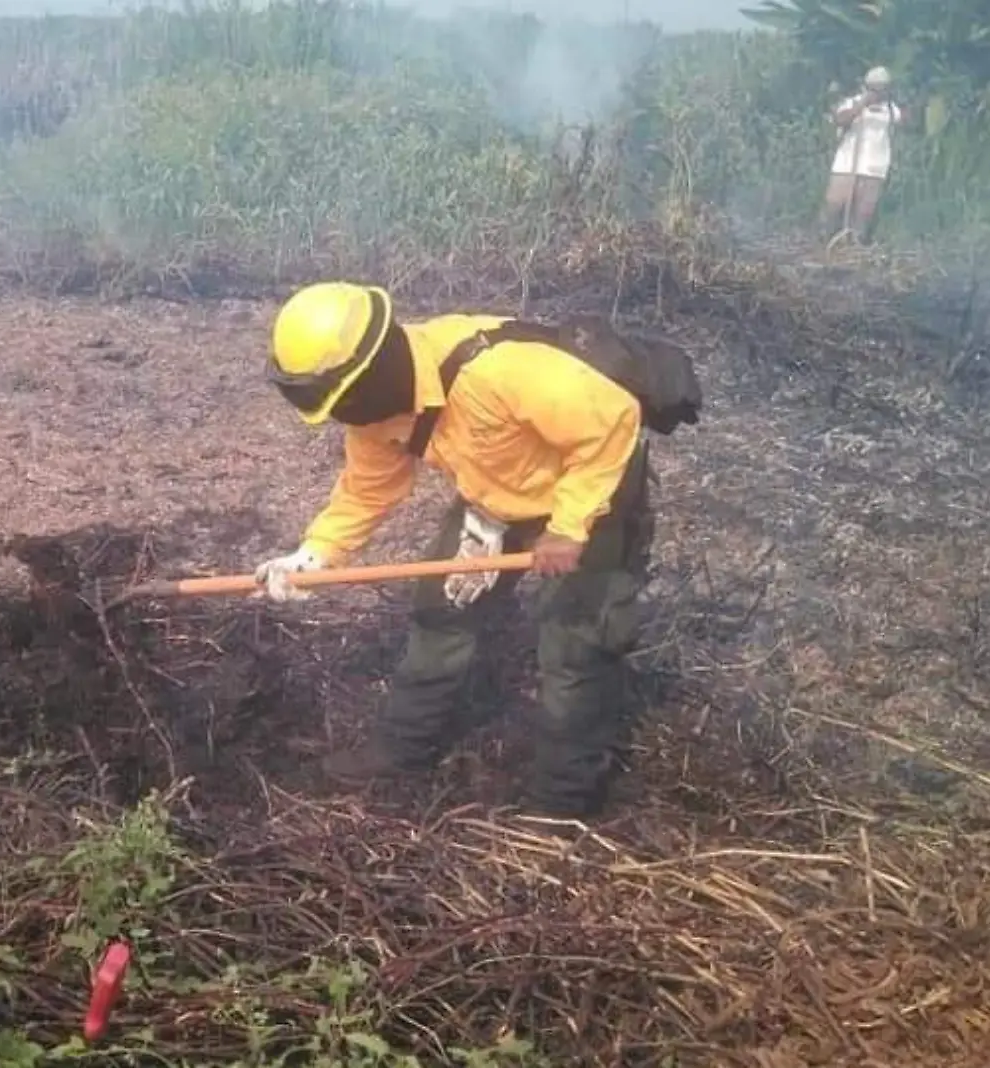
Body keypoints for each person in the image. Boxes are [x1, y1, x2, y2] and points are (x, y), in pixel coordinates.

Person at [252, 282, 680, 820]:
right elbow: (367, 490)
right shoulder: (375, 411)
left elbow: (613, 420)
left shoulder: (497, 371)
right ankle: (404, 748)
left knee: (576, 649)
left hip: (590, 495)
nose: (348, 418)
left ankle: (562, 805)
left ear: (374, 370)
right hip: (495, 498)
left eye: (346, 402)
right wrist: (313, 556)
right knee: (441, 612)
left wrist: (570, 528)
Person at [821, 66, 905, 243]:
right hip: (847, 163)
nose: (877, 93)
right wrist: (862, 105)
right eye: (873, 88)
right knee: (834, 203)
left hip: (875, 167)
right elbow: (840, 120)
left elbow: (905, 123)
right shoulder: (852, 103)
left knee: (864, 211)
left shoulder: (891, 109)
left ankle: (856, 245)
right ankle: (825, 239)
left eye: (881, 89)